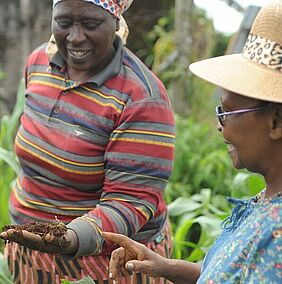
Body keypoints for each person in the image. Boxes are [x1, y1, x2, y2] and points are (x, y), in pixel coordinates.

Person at [102, 1, 282, 283]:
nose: (219, 125)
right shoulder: (267, 201)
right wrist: (164, 266)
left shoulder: (276, 238)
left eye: (227, 112)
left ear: (276, 122)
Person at [0, 0, 175, 283]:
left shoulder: (141, 96)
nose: (75, 37)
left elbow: (130, 200)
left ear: (116, 22)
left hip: (108, 265)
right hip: (28, 251)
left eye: (91, 25)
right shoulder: (38, 63)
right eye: (64, 23)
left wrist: (69, 237)